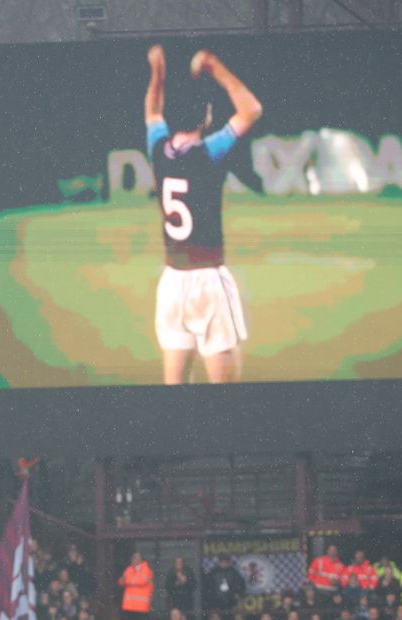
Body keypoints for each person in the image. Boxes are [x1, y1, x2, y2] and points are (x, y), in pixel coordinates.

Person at [143, 43, 262, 385]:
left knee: (175, 387)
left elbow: (152, 112)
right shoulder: (210, 152)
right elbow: (251, 109)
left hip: (172, 281)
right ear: (206, 116)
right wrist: (213, 65)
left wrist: (158, 72)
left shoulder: (159, 151)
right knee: (225, 401)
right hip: (206, 281)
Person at [118, 551, 154, 620]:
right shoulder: (128, 569)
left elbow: (142, 581)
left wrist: (129, 581)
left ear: (141, 559)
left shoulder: (146, 569)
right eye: (134, 557)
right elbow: (121, 582)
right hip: (129, 606)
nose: (135, 559)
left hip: (141, 606)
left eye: (137, 557)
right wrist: (130, 580)